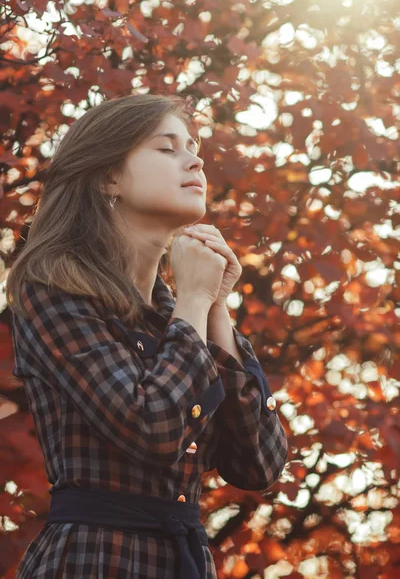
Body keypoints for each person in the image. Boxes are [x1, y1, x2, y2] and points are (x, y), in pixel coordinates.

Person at [6, 93, 288, 579]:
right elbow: (152, 427)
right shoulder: (50, 288)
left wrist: (216, 306)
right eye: (167, 148)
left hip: (184, 561)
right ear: (107, 176)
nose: (195, 158)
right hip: (93, 561)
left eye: (194, 145)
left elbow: (259, 464)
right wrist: (195, 301)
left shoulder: (178, 316)